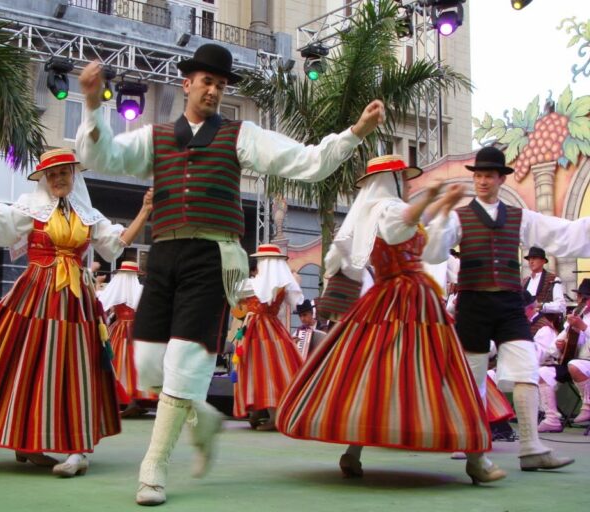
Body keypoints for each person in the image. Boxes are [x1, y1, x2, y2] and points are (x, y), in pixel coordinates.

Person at [77, 42, 385, 506]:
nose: (215, 91)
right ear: (187, 83)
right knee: (144, 364)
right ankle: (203, 414)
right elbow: (103, 158)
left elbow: (306, 162)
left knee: (184, 363)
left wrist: (355, 133)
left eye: (221, 85)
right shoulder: (154, 136)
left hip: (212, 259)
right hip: (162, 255)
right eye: (207, 82)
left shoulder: (241, 135)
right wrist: (89, 103)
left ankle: (153, 467)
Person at [276, 155, 504, 485]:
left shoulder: (379, 212)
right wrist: (436, 194)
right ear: (391, 180)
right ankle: (475, 459)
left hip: (392, 302)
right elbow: (407, 219)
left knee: (370, 373)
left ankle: (355, 453)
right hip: (407, 300)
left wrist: (441, 202)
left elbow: (419, 229)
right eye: (404, 177)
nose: (408, 183)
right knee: (438, 372)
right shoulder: (385, 210)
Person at [0, 148, 152, 478]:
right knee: (25, 362)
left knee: (76, 367)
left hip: (75, 298)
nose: (59, 179)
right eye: (53, 174)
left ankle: (76, 447)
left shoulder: (88, 214)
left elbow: (113, 244)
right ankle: (28, 442)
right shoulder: (31, 207)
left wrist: (145, 211)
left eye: (64, 173)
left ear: (74, 176)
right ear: (45, 179)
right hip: (36, 293)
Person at [424, 145, 590, 471]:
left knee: (526, 368)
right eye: (479, 175)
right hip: (472, 304)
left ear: (501, 179)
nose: (483, 181)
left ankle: (531, 447)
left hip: (509, 303)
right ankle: (471, 444)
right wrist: (440, 214)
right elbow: (433, 251)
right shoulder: (458, 218)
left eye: (489, 175)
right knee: (472, 377)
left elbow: (563, 233)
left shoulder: (519, 216)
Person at [232, 243, 303, 431]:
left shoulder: (252, 284)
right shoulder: (283, 285)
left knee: (260, 368)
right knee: (272, 367)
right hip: (273, 328)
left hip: (256, 329)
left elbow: (234, 294)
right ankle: (259, 412)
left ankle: (270, 415)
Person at [98, 260, 157, 418]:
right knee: (134, 363)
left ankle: (127, 400)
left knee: (119, 363)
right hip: (136, 331)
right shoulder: (139, 291)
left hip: (118, 329)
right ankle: (133, 401)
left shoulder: (115, 290)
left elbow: (102, 305)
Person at [537, 279, 590, 432]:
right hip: (575, 364)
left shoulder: (582, 320)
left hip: (583, 364)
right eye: (580, 297)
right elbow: (554, 345)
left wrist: (584, 327)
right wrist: (560, 347)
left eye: (585, 298)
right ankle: (551, 418)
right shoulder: (576, 315)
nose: (581, 301)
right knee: (543, 372)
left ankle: (588, 404)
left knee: (575, 365)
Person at [522, 246, 566, 326]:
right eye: (529, 259)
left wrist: (542, 306)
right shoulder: (524, 282)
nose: (531, 261)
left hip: (545, 326)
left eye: (534, 258)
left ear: (543, 261)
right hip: (525, 325)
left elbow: (561, 306)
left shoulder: (553, 279)